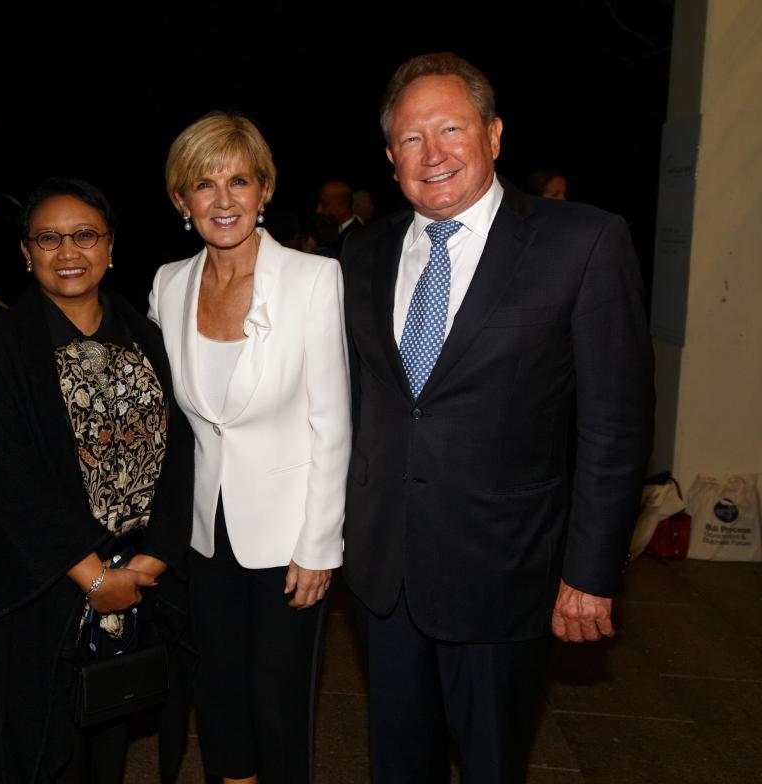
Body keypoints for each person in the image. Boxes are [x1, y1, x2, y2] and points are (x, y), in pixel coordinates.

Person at [342, 52, 653, 782]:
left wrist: (591, 570)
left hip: (505, 574)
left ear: (494, 134)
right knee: (398, 765)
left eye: (451, 128)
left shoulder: (581, 242)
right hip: (384, 575)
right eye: (412, 139)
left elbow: (616, 426)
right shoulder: (363, 253)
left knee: (490, 765)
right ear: (391, 159)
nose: (434, 153)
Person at [0, 177, 193, 783]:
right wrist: (93, 577)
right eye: (49, 238)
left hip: (136, 585)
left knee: (108, 750)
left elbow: (183, 453)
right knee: (37, 754)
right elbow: (7, 480)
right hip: (41, 591)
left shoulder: (148, 338)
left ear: (111, 246)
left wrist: (153, 561)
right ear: (26, 252)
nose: (68, 252)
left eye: (85, 235)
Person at [149, 112, 351, 784]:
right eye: (204, 184)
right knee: (220, 692)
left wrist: (320, 544)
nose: (224, 199)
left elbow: (333, 421)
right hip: (204, 535)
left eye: (239, 180)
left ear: (264, 189)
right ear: (182, 201)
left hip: (288, 540)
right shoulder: (168, 285)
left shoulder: (313, 280)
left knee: (279, 702)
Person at [315, 179, 363, 258]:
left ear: (343, 206)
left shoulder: (358, 238)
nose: (318, 210)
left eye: (324, 204)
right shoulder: (330, 231)